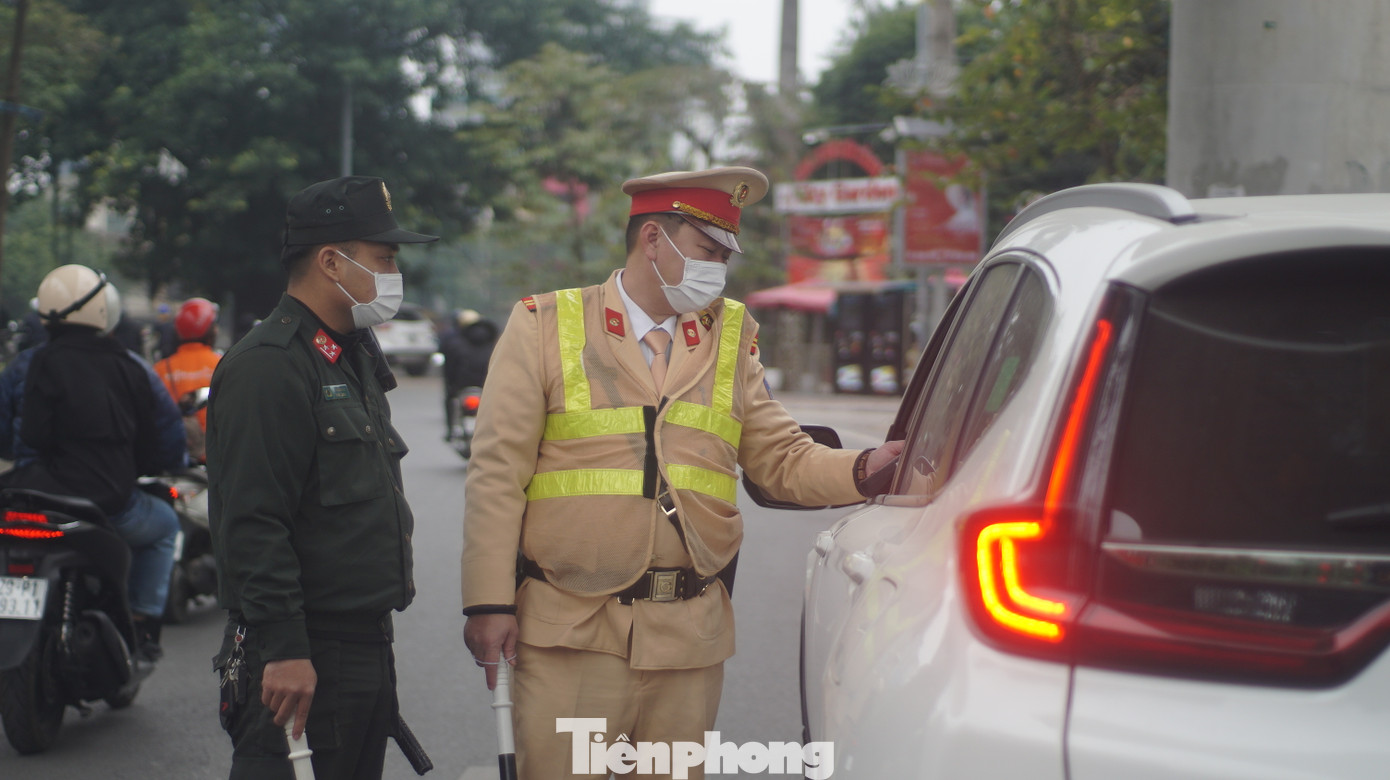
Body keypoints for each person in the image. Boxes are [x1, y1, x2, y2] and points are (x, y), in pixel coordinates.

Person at [460, 166, 905, 779]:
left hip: (687, 637)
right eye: (706, 250)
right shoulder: (546, 324)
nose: (718, 269)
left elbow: (781, 459)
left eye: (725, 255)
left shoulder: (730, 338)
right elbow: (496, 475)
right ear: (652, 240)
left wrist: (866, 469)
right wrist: (487, 604)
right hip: (571, 632)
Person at [207, 175, 438, 780]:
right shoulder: (270, 366)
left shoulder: (348, 352)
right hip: (302, 651)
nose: (393, 272)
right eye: (384, 257)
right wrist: (284, 648)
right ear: (332, 261)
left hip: (362, 645)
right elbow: (253, 520)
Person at [0, 264, 186, 663]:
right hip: (110, 505)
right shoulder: (133, 366)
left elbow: (22, 438)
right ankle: (142, 623)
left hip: (34, 499)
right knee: (166, 525)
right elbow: (163, 440)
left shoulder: (26, 366)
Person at [152, 297, 222, 461]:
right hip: (214, 458)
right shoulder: (223, 365)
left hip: (172, 457)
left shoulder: (161, 369)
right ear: (210, 329)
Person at [439, 308, 499, 438]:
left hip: (461, 386)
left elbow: (449, 370)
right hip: (487, 386)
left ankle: (450, 432)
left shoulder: (454, 343)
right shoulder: (495, 344)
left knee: (450, 399)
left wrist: (451, 386)